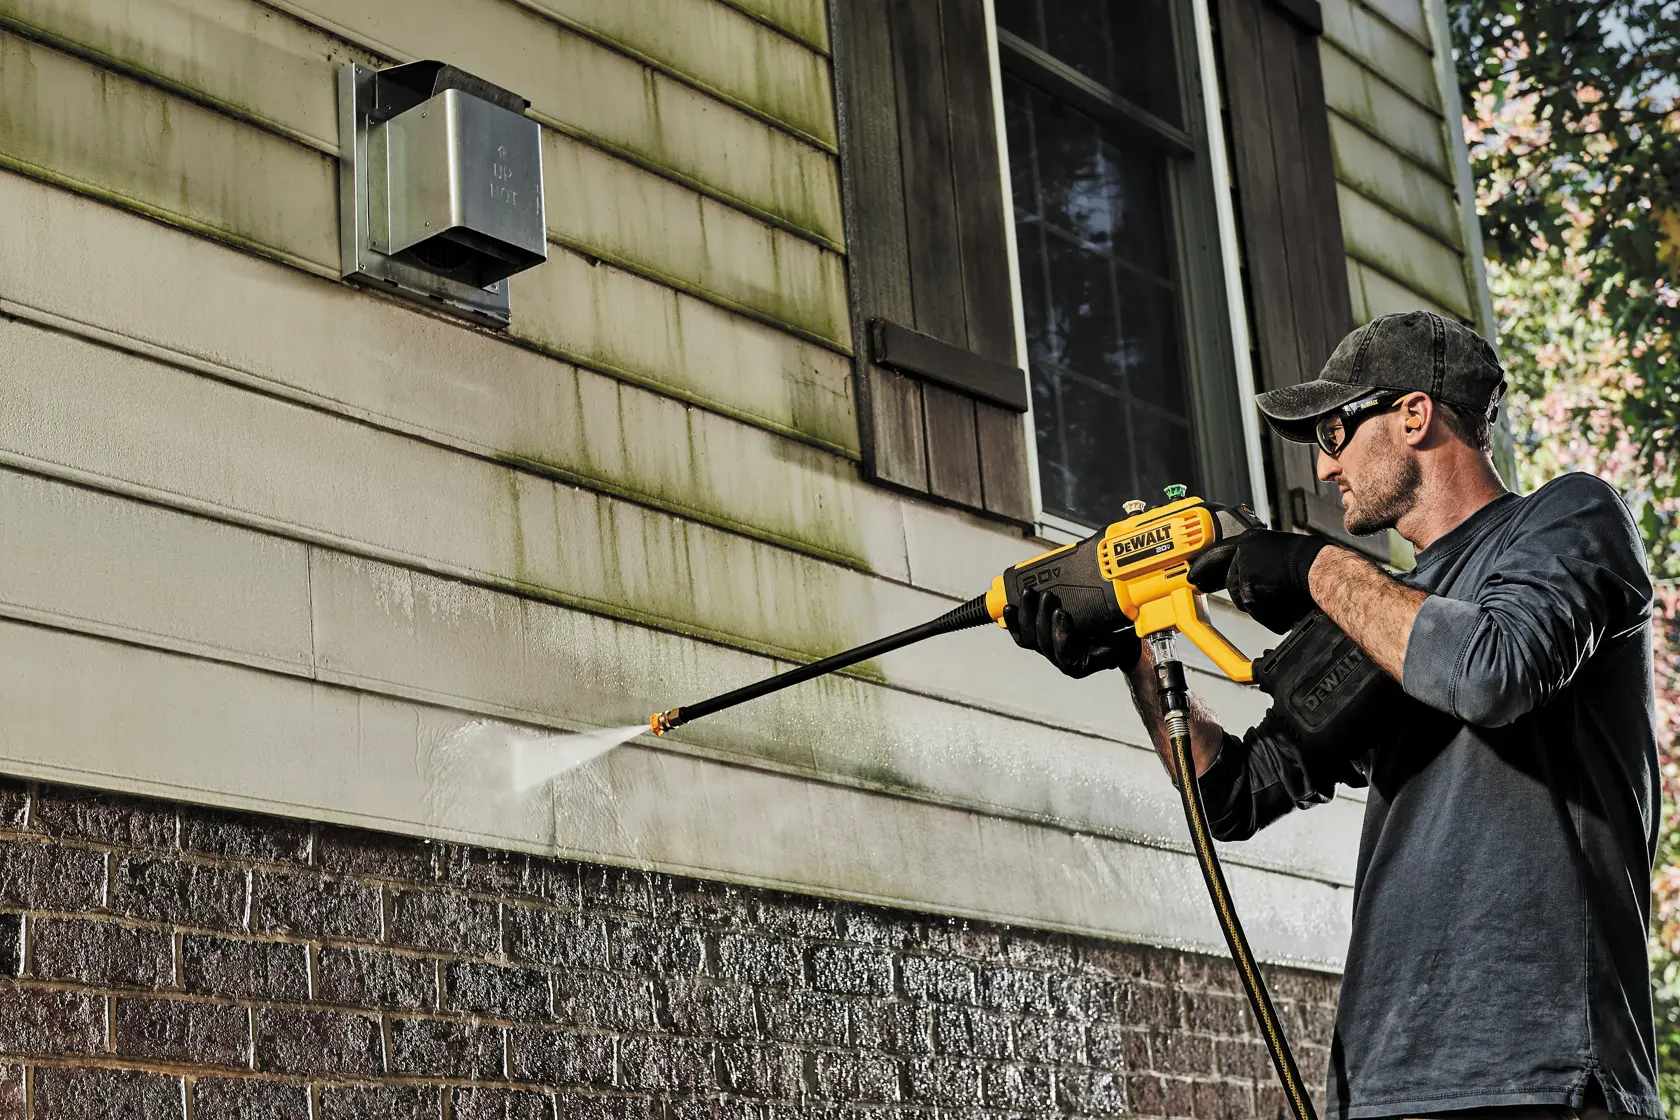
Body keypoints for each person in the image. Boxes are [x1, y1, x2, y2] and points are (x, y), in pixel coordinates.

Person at [1006, 311, 1661, 1120]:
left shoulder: (1568, 521)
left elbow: (1493, 672)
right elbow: (1235, 795)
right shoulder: (1381, 617)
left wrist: (1313, 566)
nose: (1321, 468)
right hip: (1381, 1084)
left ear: (1415, 415)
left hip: (1539, 1073)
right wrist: (1133, 657)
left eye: (1334, 429)